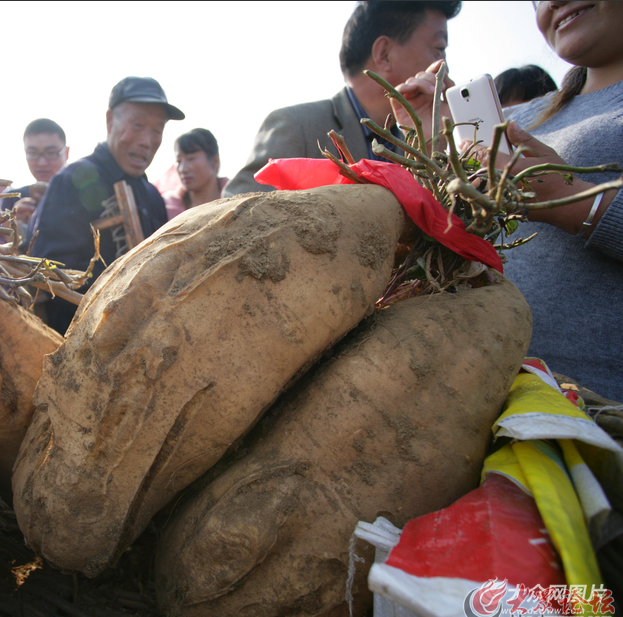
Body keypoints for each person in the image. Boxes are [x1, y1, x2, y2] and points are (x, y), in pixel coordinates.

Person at [392, 1, 622, 401]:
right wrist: (431, 143)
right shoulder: (526, 114)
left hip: (596, 410)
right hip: (482, 389)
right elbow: (459, 228)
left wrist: (574, 202)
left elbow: (559, 197)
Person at [224, 1, 461, 197]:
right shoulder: (297, 126)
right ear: (384, 54)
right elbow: (230, 219)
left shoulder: (417, 149)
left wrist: (430, 148)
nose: (444, 65)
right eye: (439, 48)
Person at [28, 76, 184, 334]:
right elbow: (48, 275)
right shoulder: (72, 181)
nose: (147, 141)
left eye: (157, 130)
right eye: (138, 124)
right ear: (110, 120)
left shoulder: (151, 195)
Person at [0, 119, 70, 243]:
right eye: (32, 153)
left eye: (51, 153)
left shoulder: (81, 195)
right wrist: (12, 226)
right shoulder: (11, 199)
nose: (42, 162)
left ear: (66, 153)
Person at [163, 128, 228, 220]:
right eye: (179, 161)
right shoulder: (166, 206)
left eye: (190, 159)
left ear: (214, 161)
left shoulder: (237, 199)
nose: (182, 169)